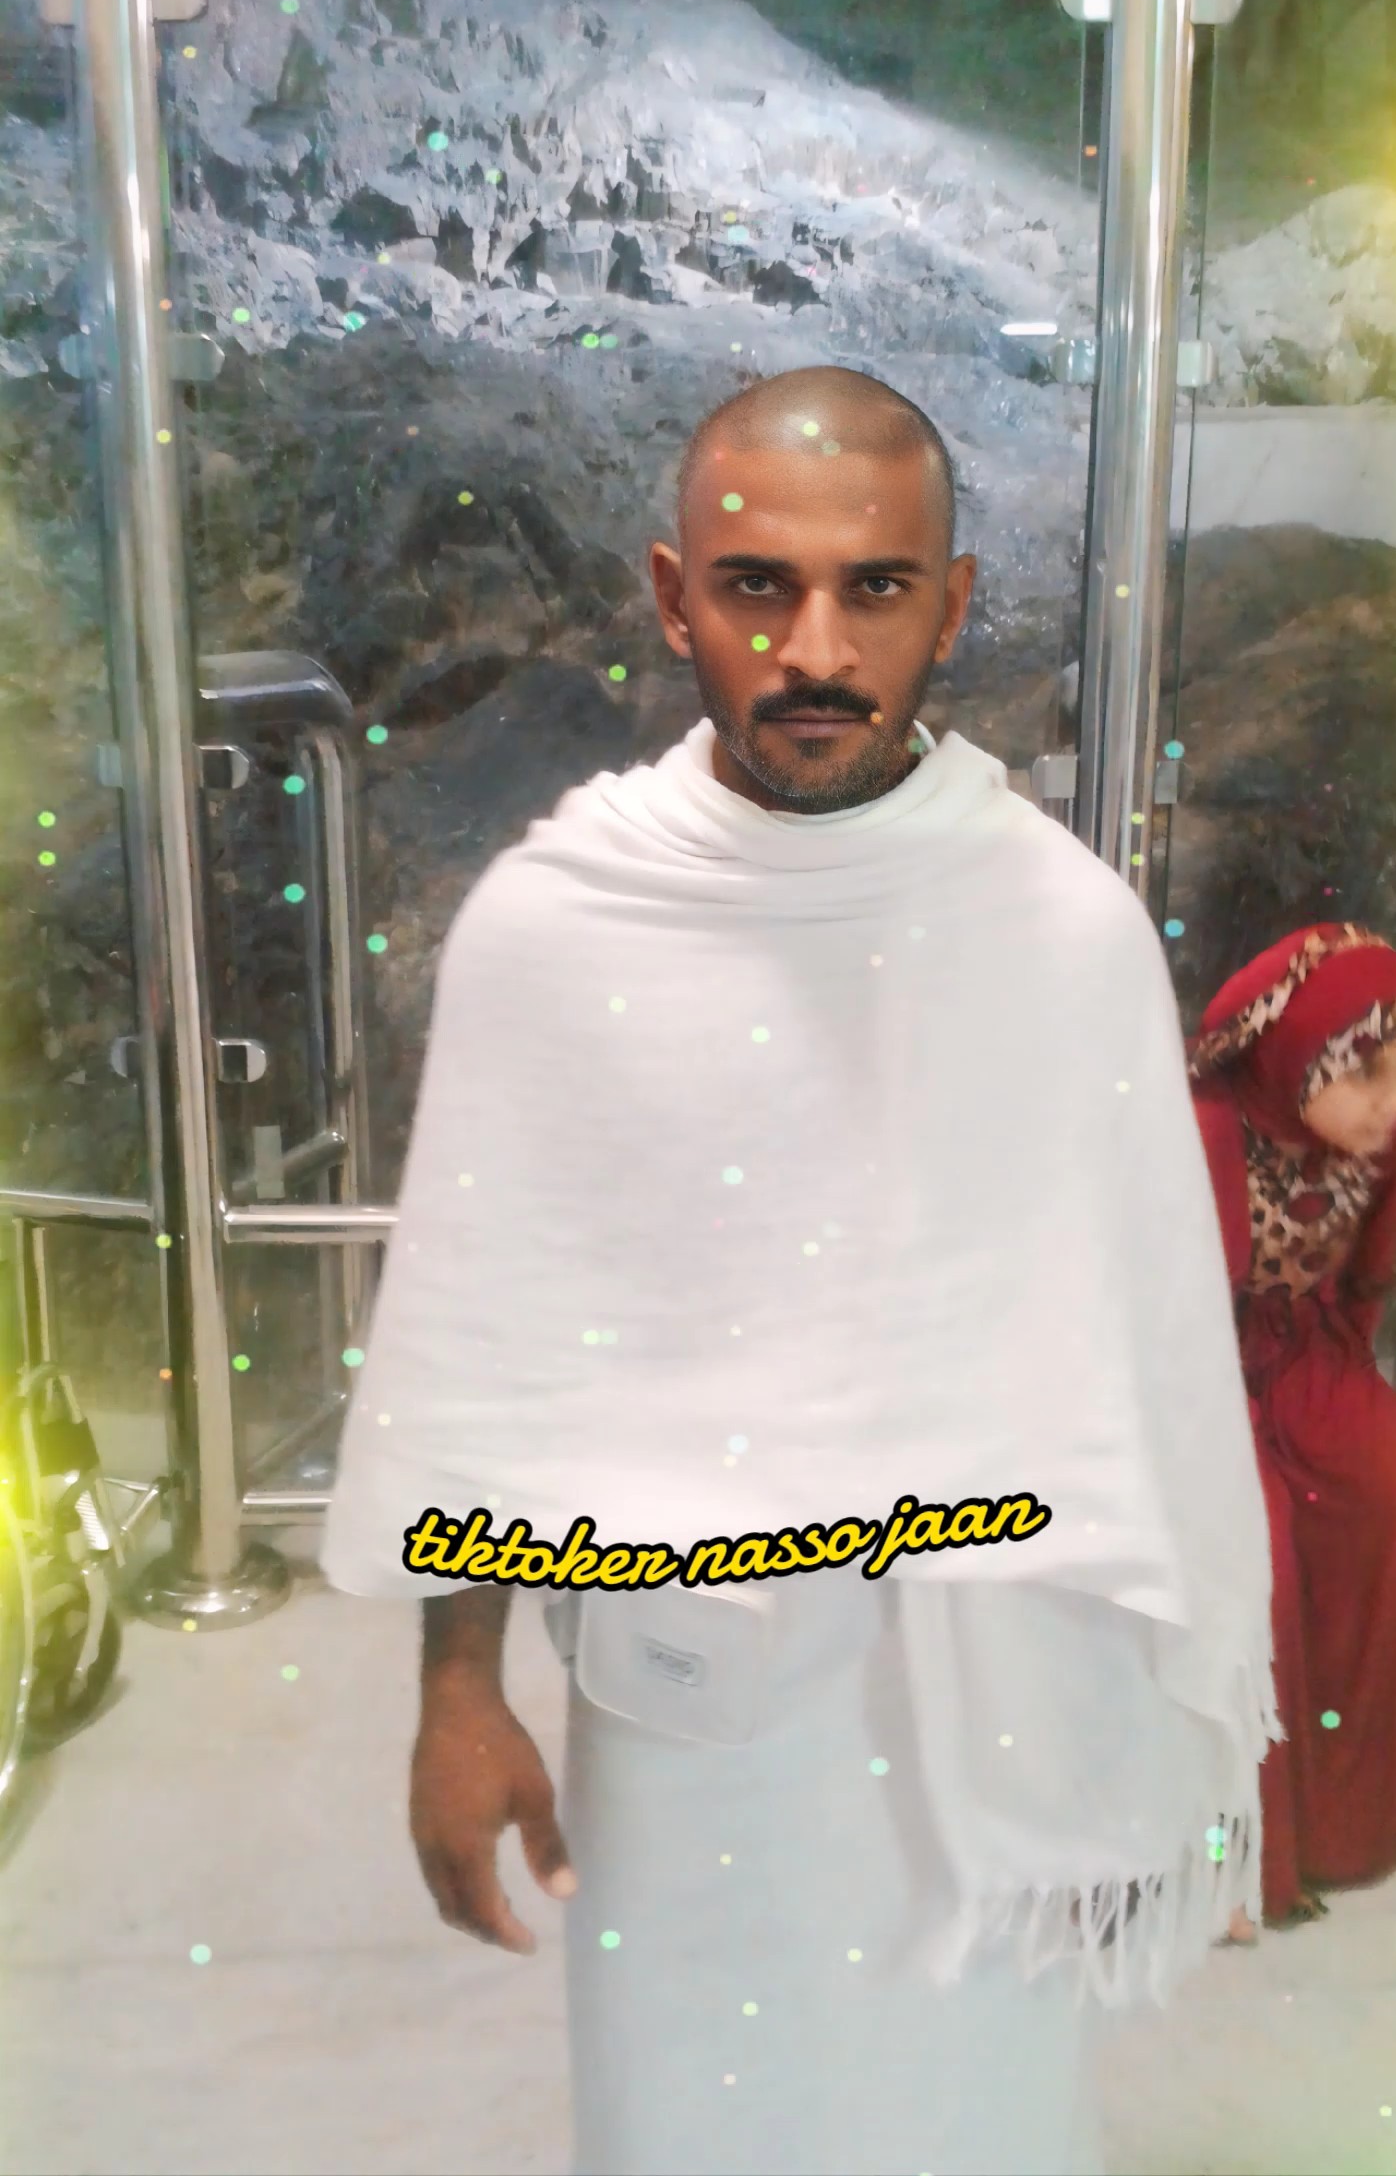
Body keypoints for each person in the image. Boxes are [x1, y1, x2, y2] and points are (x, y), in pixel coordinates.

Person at [322, 365, 1278, 2176]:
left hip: (985, 1715)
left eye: (876, 588)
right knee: (689, 2117)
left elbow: (1151, 1360)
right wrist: (459, 1690)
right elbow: (489, 1346)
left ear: (953, 605)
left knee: (968, 2129)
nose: (817, 648)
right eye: (760, 587)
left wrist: (1159, 1728)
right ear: (673, 596)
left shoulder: (1057, 933)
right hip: (688, 1710)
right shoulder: (557, 926)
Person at [1189, 923, 1396, 1939]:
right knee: (1254, 1562)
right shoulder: (1210, 1129)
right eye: (1368, 1071)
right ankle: (1233, 1856)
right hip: (1195, 1370)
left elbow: (1369, 1276)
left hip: (1307, 1353)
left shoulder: (1385, 1139)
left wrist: (1339, 1393)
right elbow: (1169, 1312)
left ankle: (1358, 1818)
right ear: (1298, 1056)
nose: (1394, 1098)